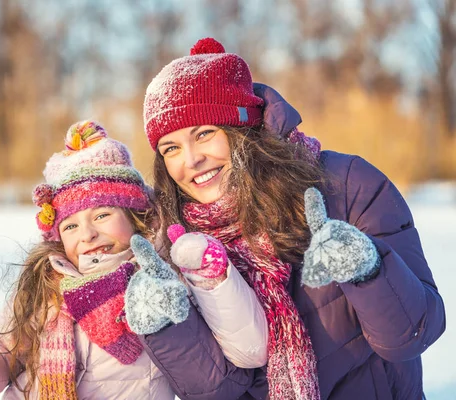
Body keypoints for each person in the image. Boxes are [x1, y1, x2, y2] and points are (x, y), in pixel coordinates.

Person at [135, 37, 446, 400]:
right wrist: (166, 326)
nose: (191, 160)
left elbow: (413, 333)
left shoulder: (346, 184)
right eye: (171, 148)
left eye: (204, 134)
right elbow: (218, 388)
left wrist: (367, 269)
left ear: (242, 131)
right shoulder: (176, 241)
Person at [0, 120, 268, 400]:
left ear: (136, 217)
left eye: (102, 215)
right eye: (71, 225)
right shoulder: (48, 282)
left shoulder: (162, 279)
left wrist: (213, 279)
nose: (87, 234)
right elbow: (6, 344)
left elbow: (246, 348)